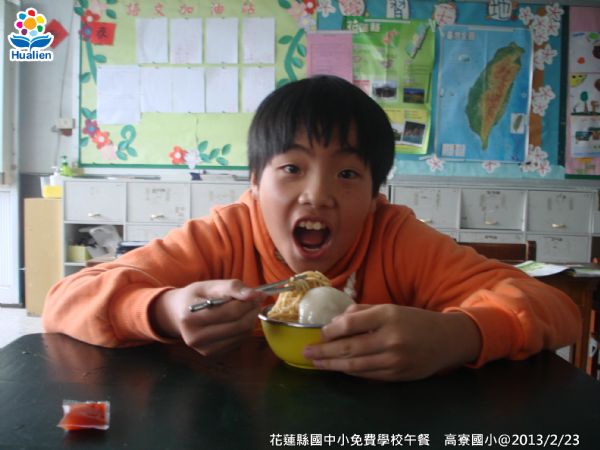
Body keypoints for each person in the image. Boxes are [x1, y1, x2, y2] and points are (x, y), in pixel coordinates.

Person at [43, 75, 580, 381]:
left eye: (347, 174)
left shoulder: (396, 239)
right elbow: (65, 300)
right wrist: (164, 310)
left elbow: (556, 309)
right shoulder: (225, 235)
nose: (318, 195)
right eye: (291, 168)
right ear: (255, 183)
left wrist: (458, 336)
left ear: (375, 196)